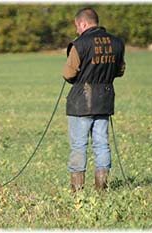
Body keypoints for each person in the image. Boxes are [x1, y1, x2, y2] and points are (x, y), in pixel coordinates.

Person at [62, 8, 126, 193]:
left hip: (81, 103)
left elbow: (68, 73)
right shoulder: (117, 42)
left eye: (77, 26)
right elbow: (120, 70)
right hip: (104, 101)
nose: (76, 31)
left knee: (79, 145)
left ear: (83, 23)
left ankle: (77, 191)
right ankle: (101, 188)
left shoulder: (79, 44)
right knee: (101, 143)